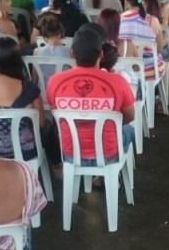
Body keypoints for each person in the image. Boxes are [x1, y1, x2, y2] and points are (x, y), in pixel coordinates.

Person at [46, 24, 136, 163]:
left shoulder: (54, 81)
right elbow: (129, 117)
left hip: (70, 155)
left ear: (71, 53)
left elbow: (56, 113)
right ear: (101, 54)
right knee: (129, 130)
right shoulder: (118, 82)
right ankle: (113, 173)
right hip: (108, 155)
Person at [0, 36, 57, 164]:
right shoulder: (28, 89)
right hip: (25, 152)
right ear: (17, 61)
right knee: (48, 125)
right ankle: (56, 165)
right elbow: (40, 123)